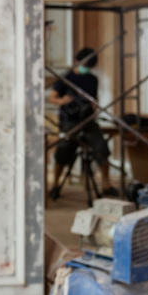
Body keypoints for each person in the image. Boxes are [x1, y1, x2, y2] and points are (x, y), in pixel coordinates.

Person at [49, 46, 117, 197]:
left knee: (101, 147)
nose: (87, 68)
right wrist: (63, 100)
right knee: (63, 149)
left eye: (90, 66)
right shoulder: (65, 78)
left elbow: (95, 98)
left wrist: (94, 106)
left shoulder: (92, 79)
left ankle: (107, 186)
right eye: (85, 65)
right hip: (69, 121)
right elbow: (52, 98)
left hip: (87, 120)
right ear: (77, 61)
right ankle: (54, 185)